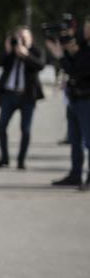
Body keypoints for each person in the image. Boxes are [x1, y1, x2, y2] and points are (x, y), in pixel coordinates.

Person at [0, 26, 45, 170]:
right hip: (9, 95)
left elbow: (40, 66)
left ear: (31, 39)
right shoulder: (10, 53)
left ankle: (21, 160)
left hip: (27, 96)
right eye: (18, 37)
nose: (20, 40)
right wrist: (8, 51)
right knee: (2, 125)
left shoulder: (35, 51)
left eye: (24, 37)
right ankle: (4, 158)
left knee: (25, 129)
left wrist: (26, 55)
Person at [46, 15, 90, 190]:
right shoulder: (84, 46)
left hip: (87, 100)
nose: (85, 30)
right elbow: (73, 65)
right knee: (75, 140)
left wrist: (60, 56)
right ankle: (75, 174)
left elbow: (78, 71)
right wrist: (64, 51)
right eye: (86, 26)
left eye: (89, 27)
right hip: (76, 98)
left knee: (89, 141)